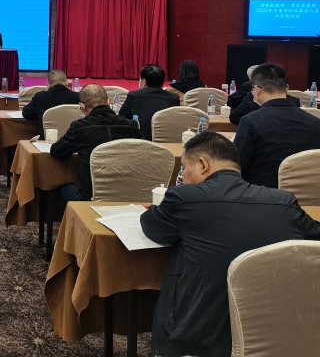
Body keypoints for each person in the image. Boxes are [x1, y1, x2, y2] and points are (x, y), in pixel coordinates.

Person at [141, 132, 320, 357]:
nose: (183, 177)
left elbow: (152, 226)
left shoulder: (184, 198)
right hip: (278, 335)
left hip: (197, 339)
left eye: (184, 169)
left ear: (202, 164)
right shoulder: (284, 202)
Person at [50, 84, 141, 203]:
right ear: (109, 101)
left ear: (82, 107)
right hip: (127, 194)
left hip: (88, 198)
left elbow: (56, 152)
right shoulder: (132, 126)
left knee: (55, 187)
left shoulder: (80, 127)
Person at [234, 63, 320, 188]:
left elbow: (237, 166)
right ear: (287, 89)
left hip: (263, 194)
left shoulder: (250, 121)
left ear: (257, 90)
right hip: (309, 194)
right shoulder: (316, 122)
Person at [119, 64, 179, 141]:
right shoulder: (174, 98)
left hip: (142, 141)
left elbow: (122, 116)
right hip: (167, 141)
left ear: (144, 82)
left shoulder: (134, 96)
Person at [21, 69, 80, 138]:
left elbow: (26, 114)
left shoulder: (40, 97)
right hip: (71, 139)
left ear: (48, 85)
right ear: (66, 83)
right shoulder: (77, 97)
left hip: (46, 140)